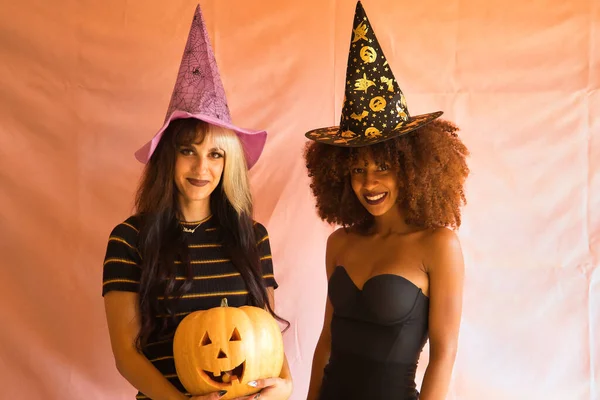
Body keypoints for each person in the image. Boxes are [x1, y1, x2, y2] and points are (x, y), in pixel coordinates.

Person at [102, 5, 292, 400]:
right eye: (189, 151)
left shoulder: (252, 236)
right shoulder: (129, 239)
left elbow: (264, 332)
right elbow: (126, 354)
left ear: (229, 164)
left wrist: (284, 384)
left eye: (216, 155)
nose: (201, 167)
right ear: (168, 157)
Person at [303, 2, 469, 399]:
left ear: (411, 167)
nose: (369, 182)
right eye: (357, 169)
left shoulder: (438, 245)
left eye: (383, 168)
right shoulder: (339, 243)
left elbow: (444, 355)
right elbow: (327, 341)